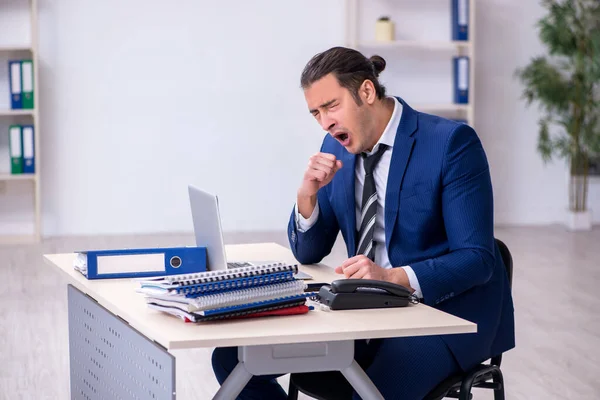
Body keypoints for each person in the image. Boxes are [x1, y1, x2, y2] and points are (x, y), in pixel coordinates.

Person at [212, 46, 515, 399]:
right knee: (234, 360)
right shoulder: (335, 145)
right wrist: (306, 196)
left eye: (332, 106)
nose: (325, 121)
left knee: (371, 392)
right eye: (316, 113)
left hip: (443, 313)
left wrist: (392, 278)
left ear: (367, 92)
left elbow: (477, 258)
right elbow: (310, 251)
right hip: (362, 310)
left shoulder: (450, 143)